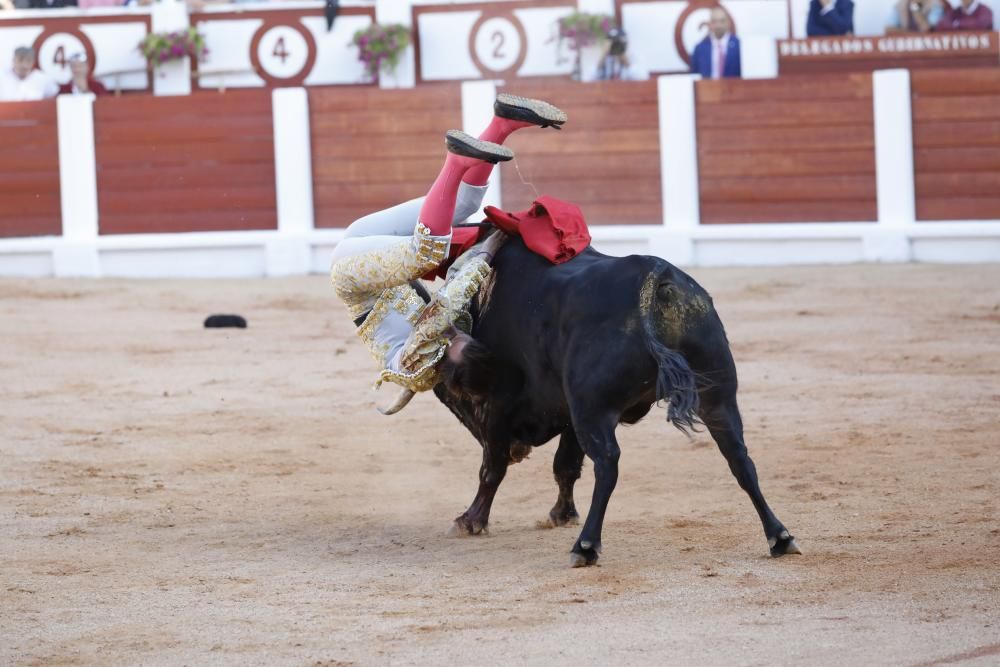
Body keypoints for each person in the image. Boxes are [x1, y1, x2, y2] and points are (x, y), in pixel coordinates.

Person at [329, 94, 567, 404]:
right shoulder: (463, 333)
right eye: (461, 337)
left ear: (446, 368)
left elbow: (439, 314)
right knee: (466, 204)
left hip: (353, 278)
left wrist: (487, 252)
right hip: (368, 245)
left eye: (452, 343)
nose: (454, 334)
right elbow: (456, 282)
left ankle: (455, 162)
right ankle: (503, 122)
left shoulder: (421, 371)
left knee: (427, 252)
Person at [690, 8, 741, 79]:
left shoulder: (739, 46)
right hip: (707, 88)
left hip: (733, 88)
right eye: (714, 21)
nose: (718, 25)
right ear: (710, 24)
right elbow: (694, 75)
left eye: (722, 21)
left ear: (728, 22)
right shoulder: (700, 48)